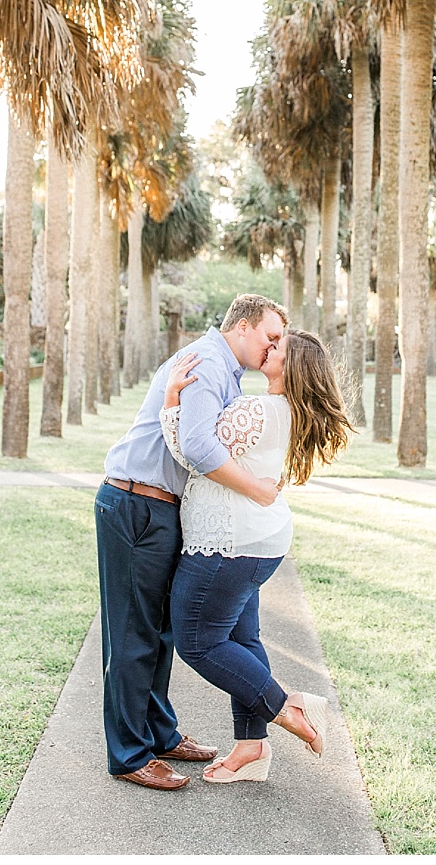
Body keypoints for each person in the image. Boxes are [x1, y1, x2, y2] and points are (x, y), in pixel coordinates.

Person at [95, 293, 287, 790]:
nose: (272, 349)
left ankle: (159, 733)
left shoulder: (227, 372)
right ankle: (130, 753)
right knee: (134, 635)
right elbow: (201, 448)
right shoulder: (205, 362)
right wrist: (258, 491)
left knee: (159, 633)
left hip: (162, 508)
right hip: (137, 503)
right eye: (269, 337)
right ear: (242, 327)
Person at [160, 327, 352, 783]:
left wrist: (171, 402)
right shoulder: (287, 411)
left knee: (198, 642)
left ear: (291, 366)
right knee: (242, 641)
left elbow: (194, 452)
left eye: (277, 347)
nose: (268, 347)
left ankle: (289, 708)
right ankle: (250, 749)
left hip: (227, 544)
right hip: (259, 543)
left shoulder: (259, 409)